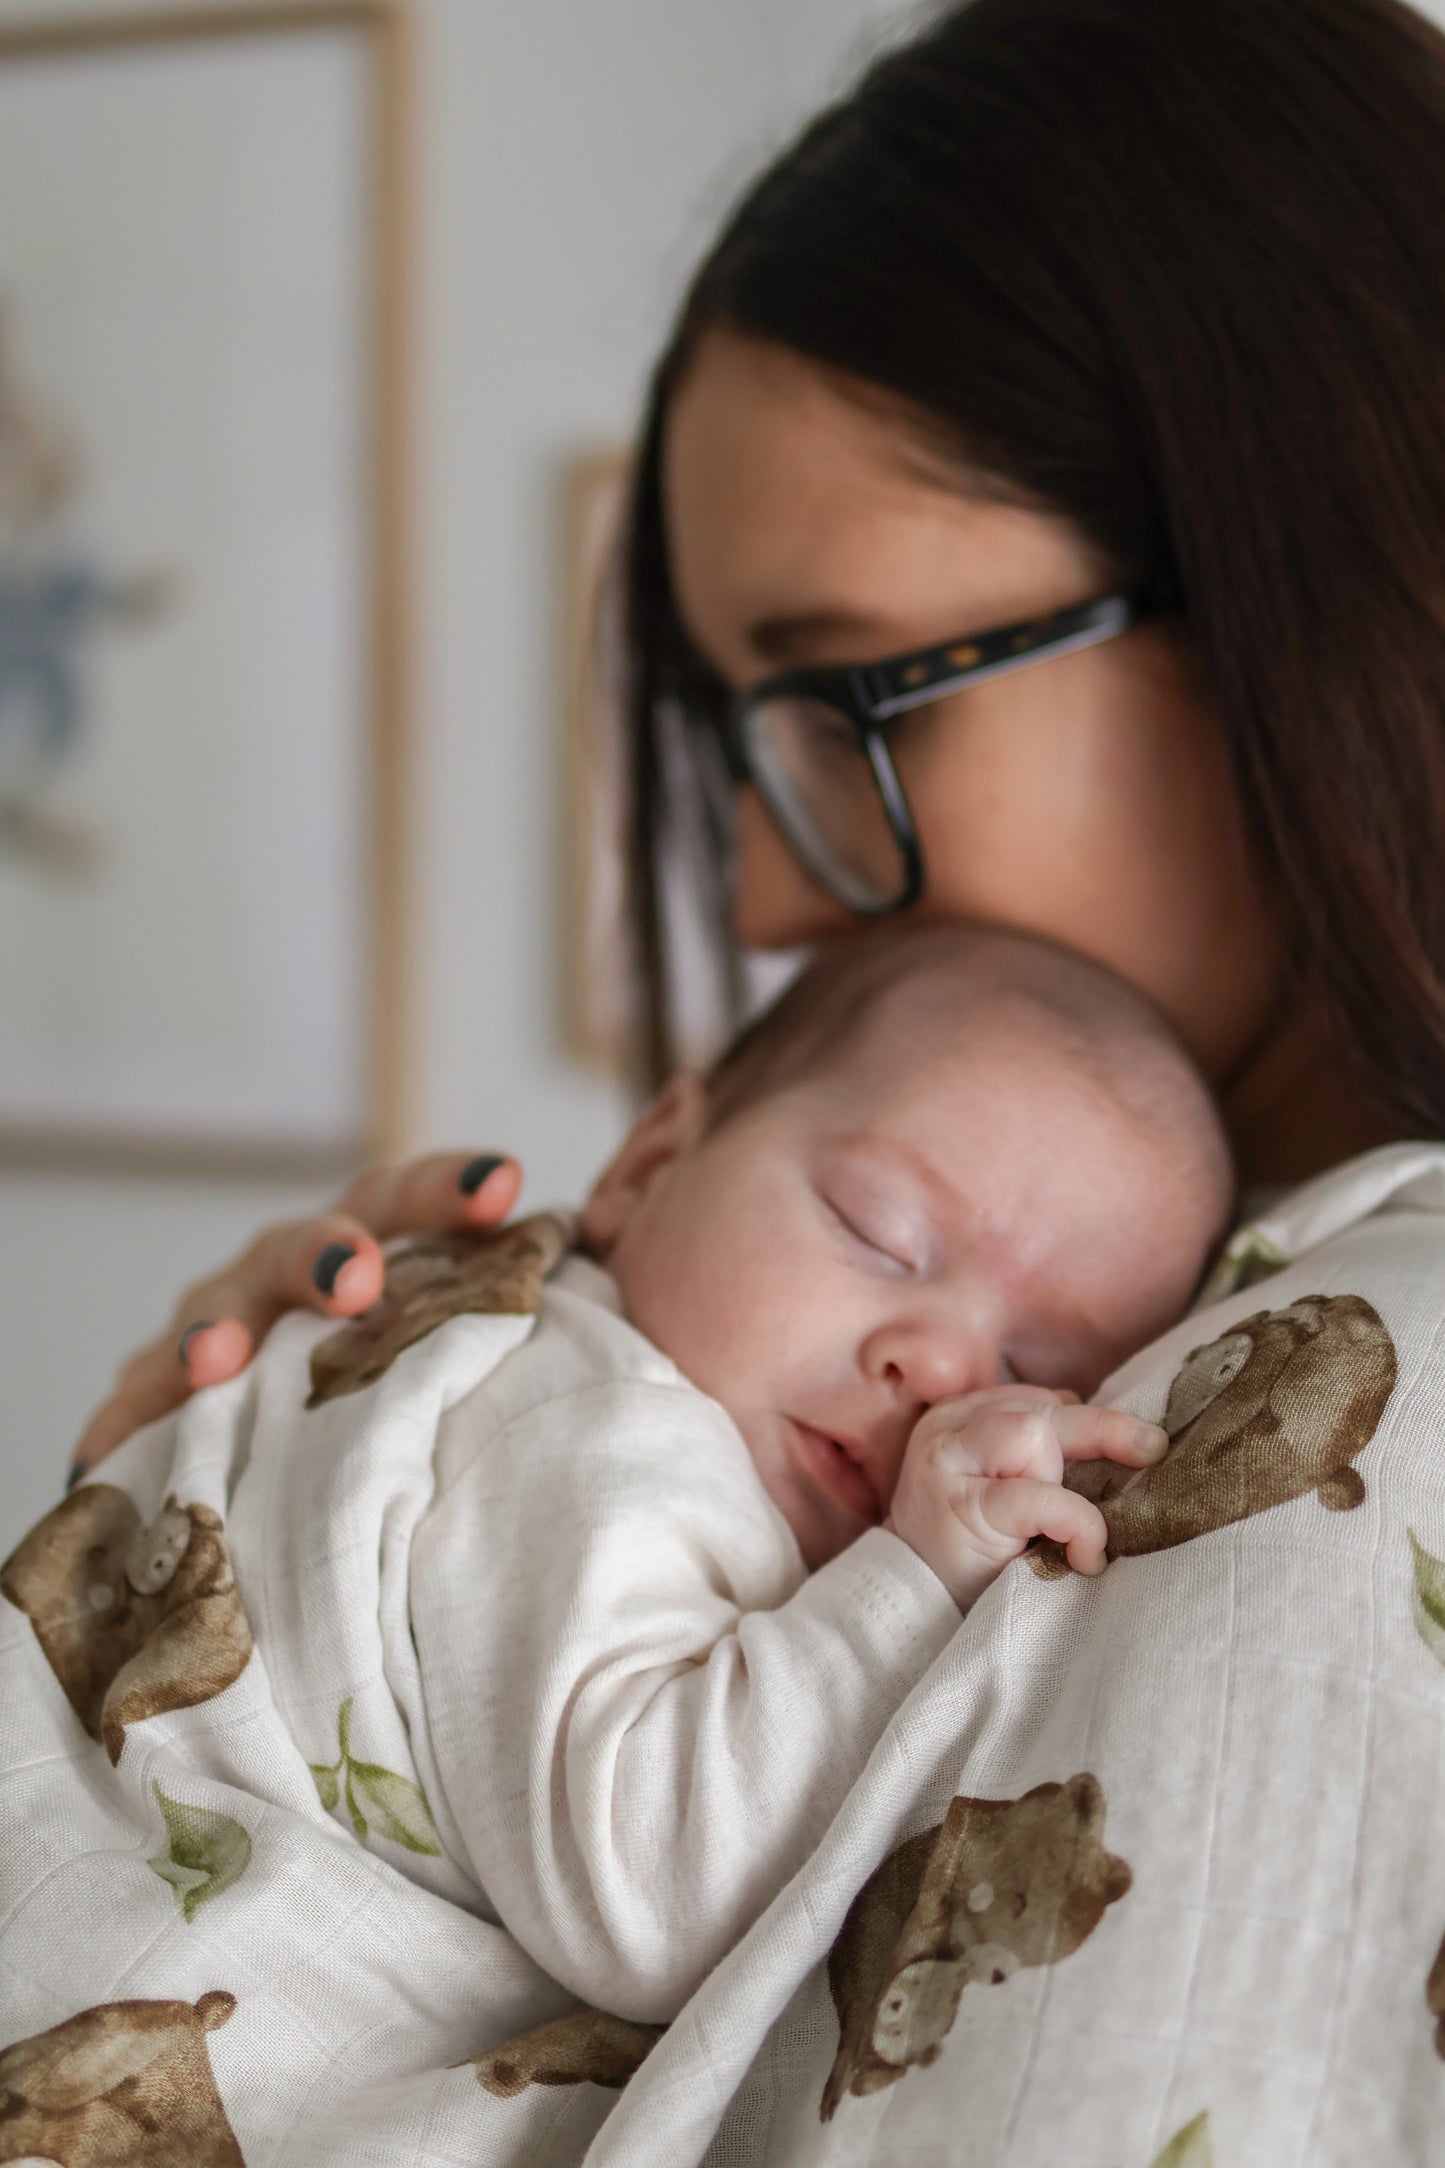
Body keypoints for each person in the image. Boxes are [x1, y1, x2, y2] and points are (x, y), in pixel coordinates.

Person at [52, 0, 1445, 2158]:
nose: (757, 894)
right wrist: (271, 1607)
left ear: (1292, 574)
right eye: (742, 740)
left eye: (849, 707)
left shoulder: (1362, 1418)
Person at [0, 926, 1228, 2164]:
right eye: (879, 1234)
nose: (944, 1367)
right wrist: (907, 1579)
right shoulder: (603, 1424)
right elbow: (644, 1895)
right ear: (648, 1160)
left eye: (1040, 1371)